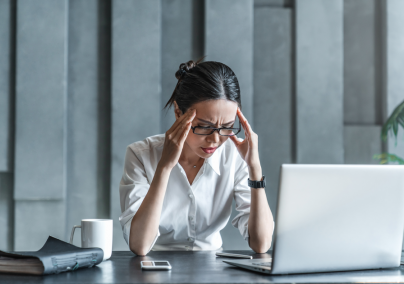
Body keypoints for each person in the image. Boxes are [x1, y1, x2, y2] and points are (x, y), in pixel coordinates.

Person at [119, 59, 274, 256]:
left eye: (226, 127)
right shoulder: (140, 155)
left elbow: (261, 244)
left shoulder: (235, 156)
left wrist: (255, 168)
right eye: (204, 126)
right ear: (178, 113)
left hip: (214, 270)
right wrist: (165, 167)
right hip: (155, 267)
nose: (215, 139)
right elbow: (139, 246)